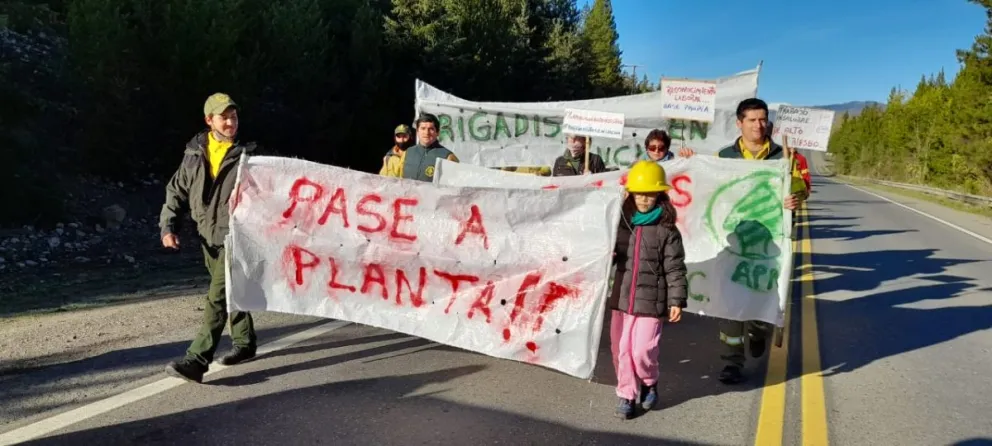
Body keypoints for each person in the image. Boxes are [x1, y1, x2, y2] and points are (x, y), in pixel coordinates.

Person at [682, 98, 808, 384]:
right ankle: (732, 362)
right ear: (739, 123)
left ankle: (759, 331)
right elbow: (707, 186)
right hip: (733, 243)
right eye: (751, 120)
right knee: (730, 303)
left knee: (764, 298)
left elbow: (802, 190)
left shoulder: (785, 157)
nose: (758, 125)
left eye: (762, 119)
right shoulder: (724, 156)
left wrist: (795, 198)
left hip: (770, 246)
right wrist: (690, 163)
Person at [159, 93, 259, 383]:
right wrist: (168, 227)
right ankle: (244, 342)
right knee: (230, 291)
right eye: (224, 117)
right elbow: (175, 191)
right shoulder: (193, 154)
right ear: (209, 120)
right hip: (207, 236)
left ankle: (197, 360)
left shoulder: (248, 157)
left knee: (216, 298)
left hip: (236, 237)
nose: (231, 122)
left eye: (234, 116)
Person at [609, 160, 688, 419]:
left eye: (650, 193)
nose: (644, 199)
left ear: (660, 194)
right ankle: (627, 395)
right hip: (622, 299)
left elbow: (675, 268)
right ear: (631, 192)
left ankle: (649, 381)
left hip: (652, 302)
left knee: (642, 350)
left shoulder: (667, 230)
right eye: (639, 192)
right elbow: (609, 255)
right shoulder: (619, 222)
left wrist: (676, 300)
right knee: (621, 350)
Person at [387, 113, 458, 181]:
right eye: (423, 128)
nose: (426, 133)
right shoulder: (407, 153)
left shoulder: (448, 157)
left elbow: (455, 185)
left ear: (438, 132)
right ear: (417, 131)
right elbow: (396, 180)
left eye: (431, 129)